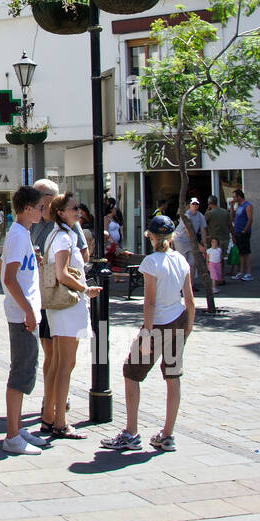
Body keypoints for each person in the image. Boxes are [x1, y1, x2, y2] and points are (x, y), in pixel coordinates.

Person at [101, 213, 195, 453]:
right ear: (172, 236)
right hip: (178, 321)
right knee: (173, 377)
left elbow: (150, 302)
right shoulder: (181, 261)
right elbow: (191, 301)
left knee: (131, 372)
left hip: (158, 325)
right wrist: (188, 329)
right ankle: (167, 434)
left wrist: (147, 335)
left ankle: (131, 432)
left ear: (150, 236)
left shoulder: (151, 262)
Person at [42, 191, 101, 439]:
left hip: (62, 307)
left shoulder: (57, 235)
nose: (78, 211)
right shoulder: (64, 237)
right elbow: (63, 273)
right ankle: (60, 421)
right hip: (68, 305)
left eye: (78, 208)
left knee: (59, 364)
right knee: (65, 364)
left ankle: (50, 417)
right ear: (61, 212)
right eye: (73, 208)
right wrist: (85, 289)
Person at [0, 184, 46, 456]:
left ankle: (16, 427)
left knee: (25, 370)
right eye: (40, 207)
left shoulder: (21, 235)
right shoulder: (18, 235)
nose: (42, 211)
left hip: (21, 311)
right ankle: (12, 435)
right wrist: (26, 309)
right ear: (27, 208)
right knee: (21, 373)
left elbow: (1, 268)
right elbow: (8, 276)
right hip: (21, 315)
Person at [29, 178, 60, 430]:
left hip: (59, 293)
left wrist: (50, 263)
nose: (37, 206)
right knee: (48, 349)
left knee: (58, 352)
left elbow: (81, 254)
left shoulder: (65, 225)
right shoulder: (34, 224)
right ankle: (51, 399)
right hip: (40, 293)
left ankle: (55, 399)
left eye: (39, 201)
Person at [172, 197, 207, 287]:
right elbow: (188, 232)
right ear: (189, 205)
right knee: (183, 262)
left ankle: (190, 285)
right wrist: (199, 246)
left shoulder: (200, 216)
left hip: (192, 241)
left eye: (196, 204)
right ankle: (181, 285)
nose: (195, 206)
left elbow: (203, 230)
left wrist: (205, 244)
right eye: (193, 204)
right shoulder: (186, 216)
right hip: (181, 240)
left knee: (192, 263)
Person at [205, 196, 232, 284]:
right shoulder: (225, 212)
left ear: (209, 203)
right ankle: (221, 277)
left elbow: (204, 224)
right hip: (225, 238)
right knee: (221, 259)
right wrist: (233, 236)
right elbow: (230, 225)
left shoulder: (209, 213)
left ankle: (215, 279)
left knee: (213, 260)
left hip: (215, 240)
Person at [231, 186, 254, 281]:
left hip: (243, 232)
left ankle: (248, 273)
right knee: (241, 253)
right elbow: (232, 217)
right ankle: (241, 271)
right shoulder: (239, 206)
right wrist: (231, 206)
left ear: (239, 197)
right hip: (237, 231)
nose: (233, 199)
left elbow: (250, 219)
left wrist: (245, 230)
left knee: (246, 252)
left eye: (235, 197)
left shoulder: (247, 205)